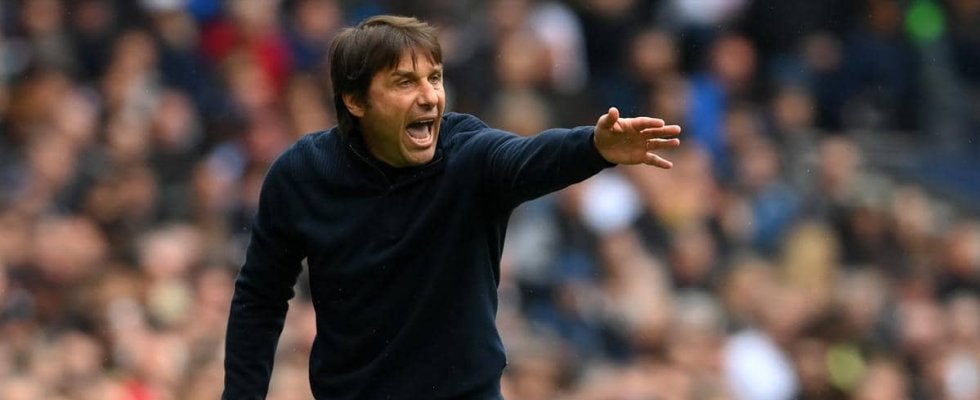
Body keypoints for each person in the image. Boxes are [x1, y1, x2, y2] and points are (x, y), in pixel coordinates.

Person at [222, 15, 681, 400]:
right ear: (355, 100)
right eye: (405, 81)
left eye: (435, 77)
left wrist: (593, 147)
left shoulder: (469, 153)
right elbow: (260, 299)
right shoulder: (302, 174)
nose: (429, 96)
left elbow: (527, 157)